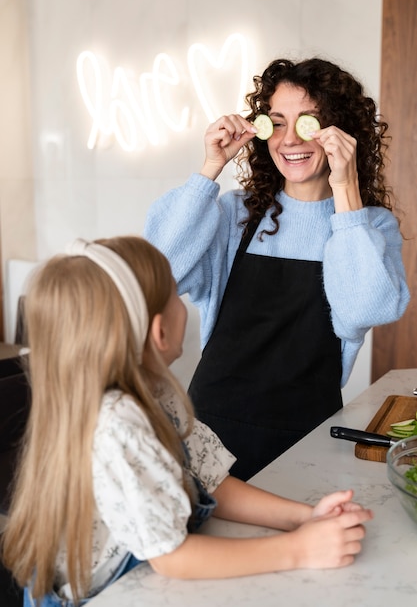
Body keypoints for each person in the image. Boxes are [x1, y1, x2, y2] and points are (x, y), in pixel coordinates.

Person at [1, 235, 373, 606]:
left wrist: (303, 518)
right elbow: (171, 557)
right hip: (104, 594)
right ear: (159, 331)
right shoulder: (117, 424)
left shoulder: (157, 393)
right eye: (176, 294)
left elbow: (211, 481)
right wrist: (298, 550)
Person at [144, 57, 410, 481]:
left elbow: (365, 309)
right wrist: (211, 167)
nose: (289, 139)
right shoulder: (237, 214)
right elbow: (157, 271)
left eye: (308, 122)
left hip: (308, 434)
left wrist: (345, 189)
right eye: (277, 122)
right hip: (211, 430)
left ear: (340, 132)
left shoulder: (367, 224)